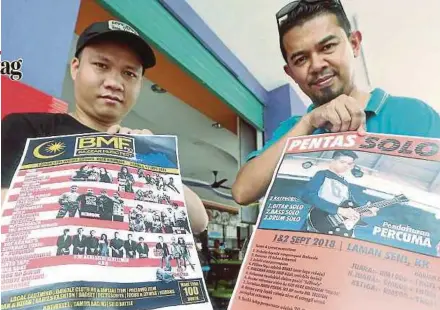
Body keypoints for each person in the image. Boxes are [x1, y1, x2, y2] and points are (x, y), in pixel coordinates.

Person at [1, 19, 208, 234]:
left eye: (129, 73)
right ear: (75, 68)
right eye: (101, 65)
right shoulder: (28, 129)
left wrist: (151, 164)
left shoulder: (138, 148)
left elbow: (198, 221)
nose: (114, 83)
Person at [232, 0, 440, 206]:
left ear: (354, 44)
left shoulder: (413, 114)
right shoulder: (292, 129)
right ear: (291, 73)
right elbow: (242, 192)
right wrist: (308, 123)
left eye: (328, 47)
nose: (316, 65)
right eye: (301, 59)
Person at [300, 150, 377, 235]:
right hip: (317, 222)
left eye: (349, 164)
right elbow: (307, 196)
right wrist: (339, 210)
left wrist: (364, 212)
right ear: (333, 161)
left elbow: (349, 207)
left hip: (336, 229)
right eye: (342, 162)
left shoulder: (346, 184)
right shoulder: (322, 174)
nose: (346, 166)